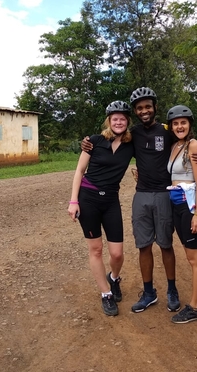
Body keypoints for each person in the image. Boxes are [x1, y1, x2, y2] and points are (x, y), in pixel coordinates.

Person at [82, 87, 197, 315]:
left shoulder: (167, 131)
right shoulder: (133, 135)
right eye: (139, 108)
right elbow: (109, 140)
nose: (144, 111)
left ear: (155, 107)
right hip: (141, 195)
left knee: (166, 244)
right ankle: (149, 292)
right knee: (144, 245)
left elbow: (186, 140)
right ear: (136, 112)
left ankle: (172, 290)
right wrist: (88, 143)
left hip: (163, 195)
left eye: (148, 106)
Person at [68, 101, 135, 316]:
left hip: (111, 200)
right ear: (109, 121)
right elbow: (79, 171)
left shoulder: (130, 145)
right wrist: (73, 201)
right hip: (88, 199)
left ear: (127, 122)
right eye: (114, 118)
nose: (118, 122)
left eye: (122, 119)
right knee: (95, 249)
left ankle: (113, 278)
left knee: (117, 253)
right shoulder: (94, 142)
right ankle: (106, 294)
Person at [166, 105, 197, 324]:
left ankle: (194, 308)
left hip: (191, 206)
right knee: (189, 255)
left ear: (190, 124)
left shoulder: (193, 145)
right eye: (175, 123)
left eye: (183, 122)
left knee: (195, 259)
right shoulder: (175, 146)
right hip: (177, 205)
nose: (179, 126)